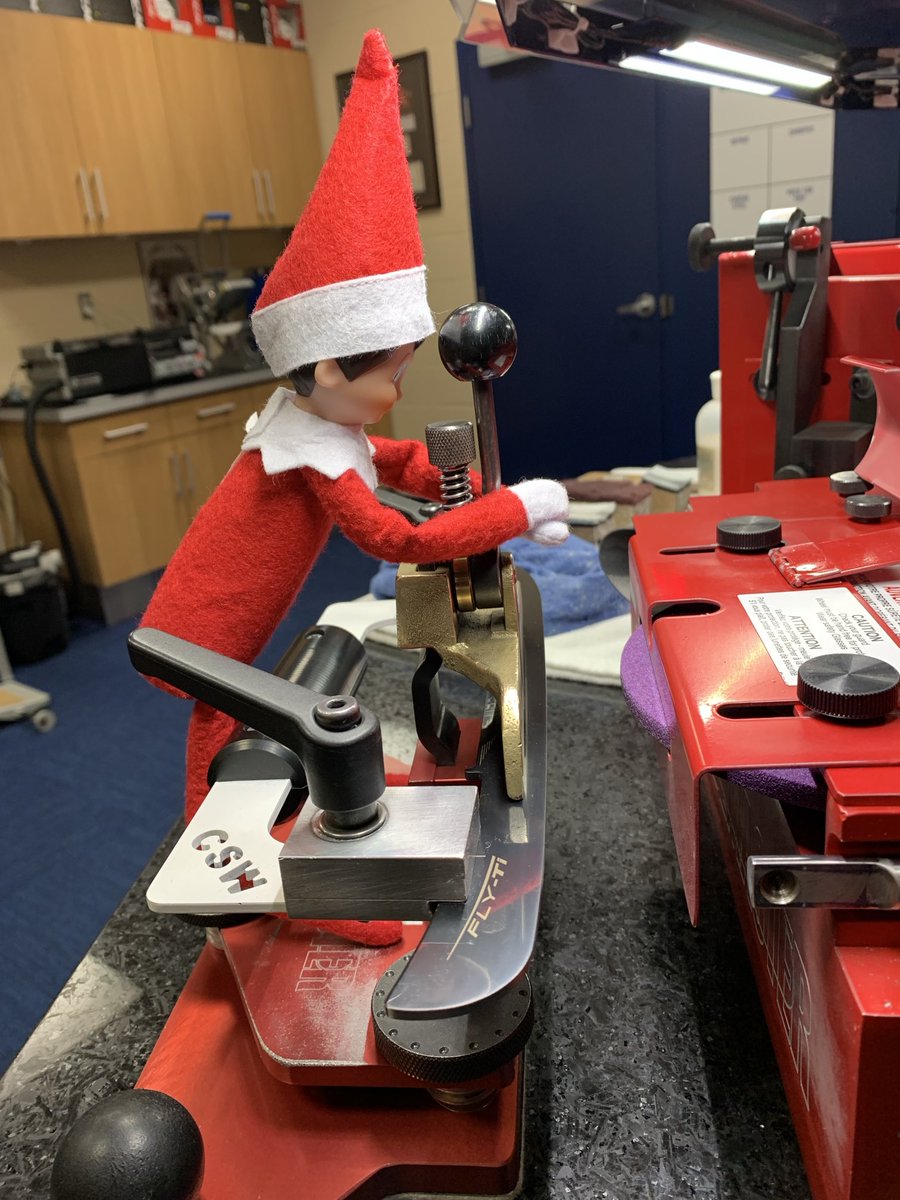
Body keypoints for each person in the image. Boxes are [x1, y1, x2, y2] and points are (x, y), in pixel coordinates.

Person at [140, 29, 568, 941]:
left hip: (234, 631)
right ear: (329, 370)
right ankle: (280, 893)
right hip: (203, 639)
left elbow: (380, 461)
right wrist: (515, 507)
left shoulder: (321, 426)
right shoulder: (305, 449)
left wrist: (443, 464)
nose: (398, 392)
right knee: (234, 762)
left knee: (248, 750)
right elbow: (397, 540)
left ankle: (262, 879)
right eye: (390, 377)